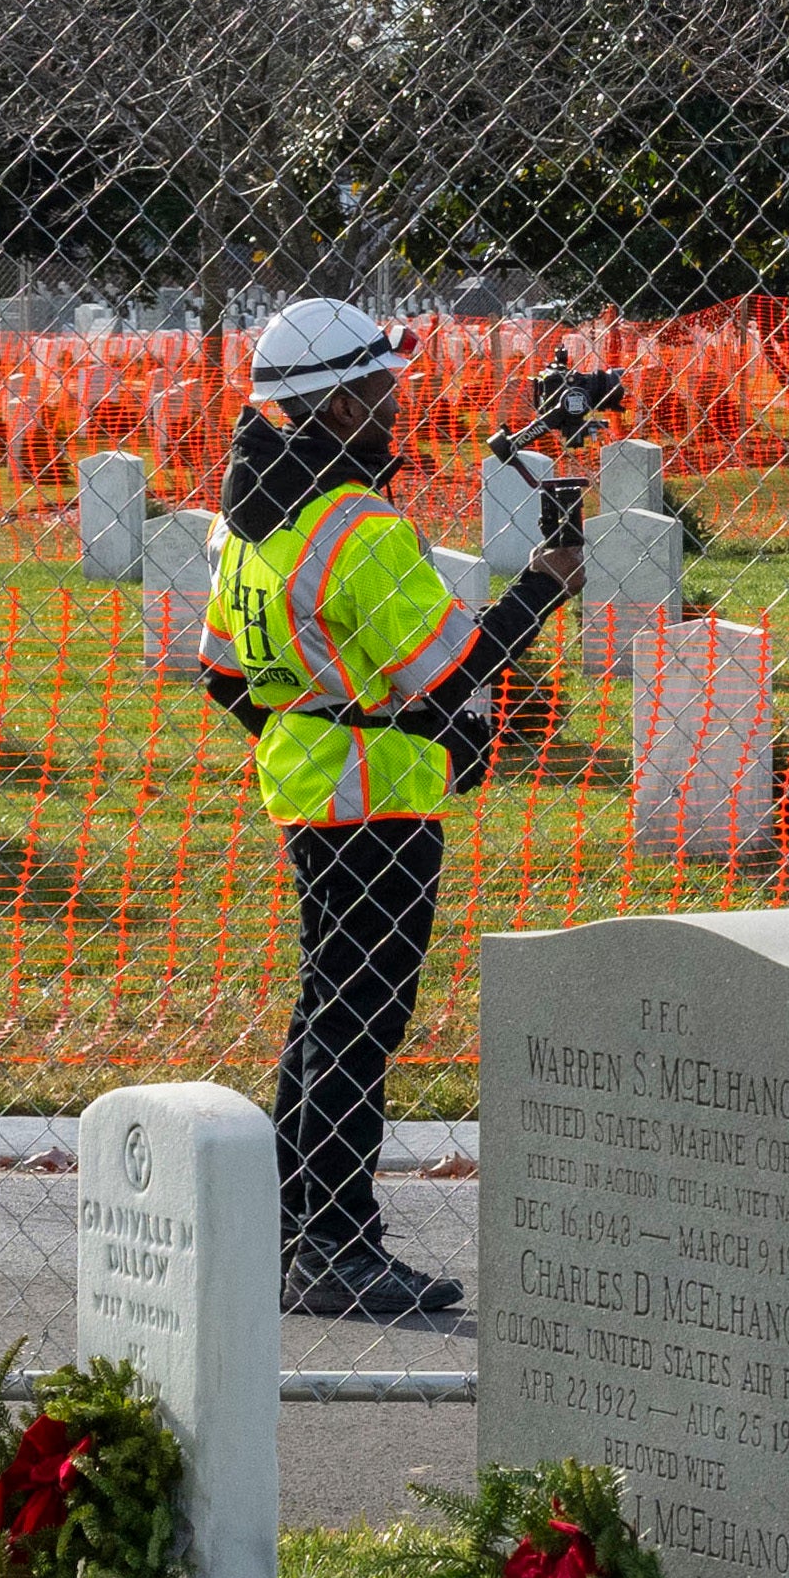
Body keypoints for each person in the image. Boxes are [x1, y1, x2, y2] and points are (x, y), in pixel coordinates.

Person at [202, 301, 579, 1319]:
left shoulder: (249, 516)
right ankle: (335, 1244)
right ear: (327, 400)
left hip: (311, 793)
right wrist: (546, 584)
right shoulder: (356, 525)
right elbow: (454, 666)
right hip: (378, 808)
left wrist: (315, 725)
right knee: (360, 1022)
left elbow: (224, 675)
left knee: (326, 1013)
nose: (395, 398)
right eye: (378, 385)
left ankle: (299, 1231)